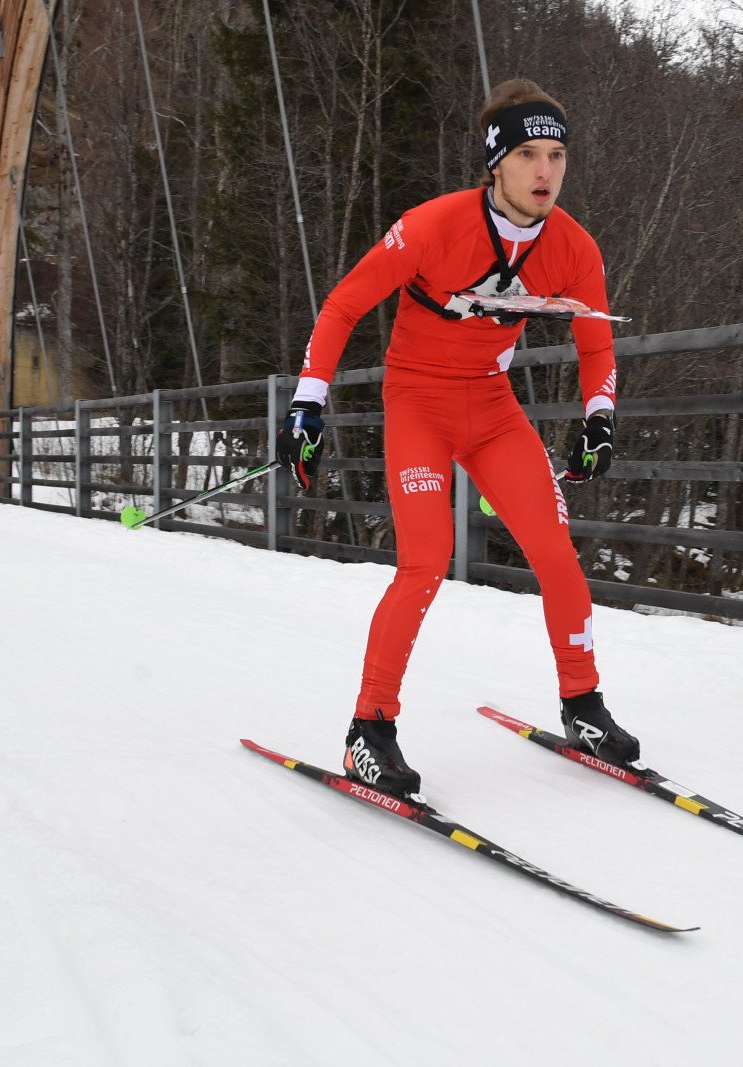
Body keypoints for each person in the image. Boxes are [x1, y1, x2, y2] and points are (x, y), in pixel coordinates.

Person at [278, 79, 639, 796]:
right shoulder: (434, 225)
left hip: (492, 408)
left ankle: (583, 705)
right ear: (496, 163)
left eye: (558, 156)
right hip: (418, 402)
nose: (545, 171)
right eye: (528, 155)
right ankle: (369, 729)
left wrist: (599, 418)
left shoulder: (574, 248)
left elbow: (596, 343)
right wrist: (307, 403)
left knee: (556, 553)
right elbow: (345, 304)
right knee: (425, 561)